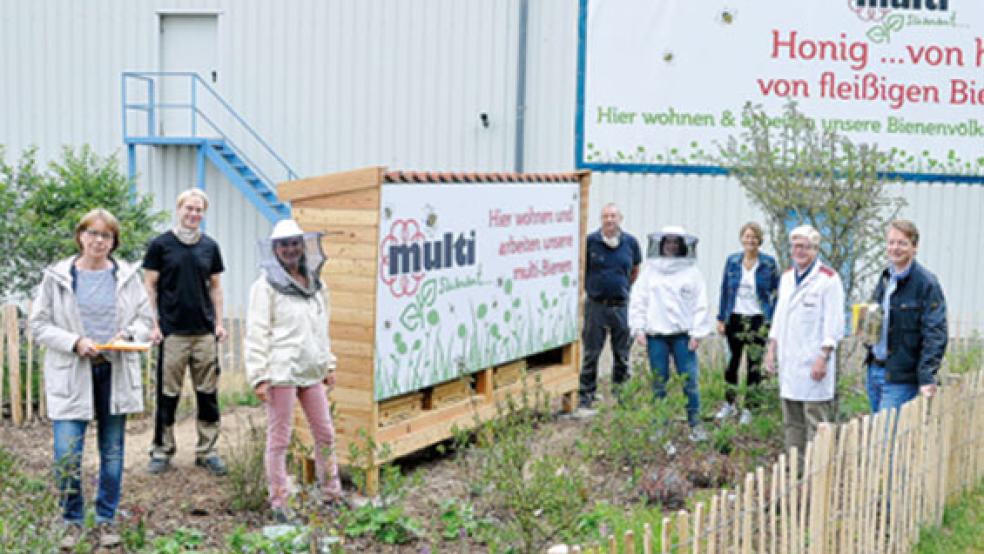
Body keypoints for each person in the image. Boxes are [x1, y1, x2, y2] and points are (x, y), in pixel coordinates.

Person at [30, 209, 153, 549]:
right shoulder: (58, 277)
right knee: (67, 452)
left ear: (114, 242)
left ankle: (105, 518)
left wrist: (127, 333)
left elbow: (145, 320)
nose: (99, 241)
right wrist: (74, 342)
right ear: (80, 236)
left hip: (114, 370)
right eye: (93, 234)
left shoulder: (126, 276)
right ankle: (71, 520)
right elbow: (38, 325)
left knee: (112, 453)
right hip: (72, 373)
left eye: (107, 236)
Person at [244, 219, 343, 523]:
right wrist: (259, 376)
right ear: (275, 249)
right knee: (280, 440)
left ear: (303, 246)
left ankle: (332, 494)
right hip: (281, 371)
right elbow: (257, 332)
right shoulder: (264, 286)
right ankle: (279, 502)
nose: (290, 249)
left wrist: (328, 363)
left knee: (325, 433)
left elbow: (320, 328)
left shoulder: (315, 284)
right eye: (284, 244)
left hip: (311, 369)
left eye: (294, 243)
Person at [143, 188, 229, 476]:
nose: (193, 214)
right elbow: (150, 287)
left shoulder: (210, 247)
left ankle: (208, 451)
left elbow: (215, 287)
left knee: (207, 393)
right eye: (189, 208)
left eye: (199, 210)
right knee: (168, 394)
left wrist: (218, 323)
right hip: (172, 334)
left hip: (204, 333)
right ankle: (162, 450)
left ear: (203, 214)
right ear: (178, 209)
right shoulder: (160, 245)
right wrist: (154, 325)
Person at [765, 225, 844, 470]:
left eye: (805, 246)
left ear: (815, 249)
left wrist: (823, 356)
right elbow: (779, 318)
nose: (799, 251)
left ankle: (817, 471)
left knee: (815, 420)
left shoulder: (828, 279)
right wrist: (771, 351)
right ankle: (794, 471)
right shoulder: (787, 277)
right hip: (790, 363)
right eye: (795, 246)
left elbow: (835, 324)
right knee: (792, 421)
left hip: (813, 363)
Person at [629, 226, 712, 442]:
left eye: (676, 243)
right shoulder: (650, 271)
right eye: (668, 242)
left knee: (690, 381)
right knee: (659, 382)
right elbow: (639, 300)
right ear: (661, 244)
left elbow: (701, 304)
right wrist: (638, 328)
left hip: (683, 336)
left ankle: (695, 424)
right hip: (656, 336)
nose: (672, 246)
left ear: (683, 246)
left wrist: (698, 333)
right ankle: (660, 426)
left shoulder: (693, 273)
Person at [865, 219, 947, 413]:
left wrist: (927, 375)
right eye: (891, 242)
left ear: (915, 247)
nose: (895, 248)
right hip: (875, 370)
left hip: (901, 376)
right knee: (876, 436)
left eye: (902, 243)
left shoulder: (926, 284)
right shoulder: (886, 278)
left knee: (887, 437)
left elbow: (935, 333)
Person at [576, 203, 642, 415]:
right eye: (605, 216)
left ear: (620, 218)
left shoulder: (630, 243)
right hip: (596, 305)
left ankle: (621, 395)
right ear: (601, 219)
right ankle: (586, 395)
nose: (609, 220)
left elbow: (635, 270)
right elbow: (581, 269)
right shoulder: (590, 242)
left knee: (622, 354)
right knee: (591, 353)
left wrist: (622, 288)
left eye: (613, 216)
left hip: (621, 305)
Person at [715, 222, 779, 425]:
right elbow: (725, 290)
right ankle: (730, 403)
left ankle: (750, 407)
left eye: (754, 237)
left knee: (753, 365)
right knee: (731, 363)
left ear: (759, 240)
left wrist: (773, 320)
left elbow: (776, 293)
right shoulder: (733, 261)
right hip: (735, 316)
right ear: (742, 238)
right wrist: (721, 317)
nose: (750, 240)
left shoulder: (768, 263)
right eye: (747, 236)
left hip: (758, 318)